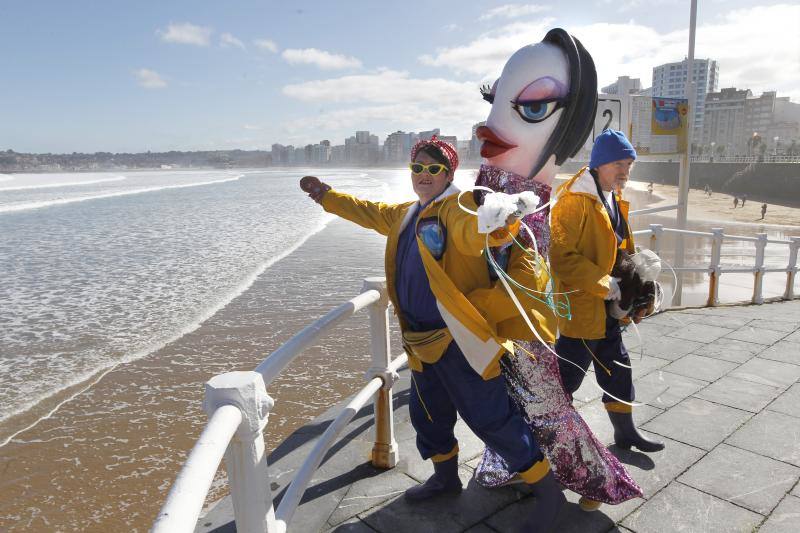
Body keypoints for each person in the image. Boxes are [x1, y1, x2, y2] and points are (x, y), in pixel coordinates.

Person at [301, 137, 563, 532]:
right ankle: (444, 478)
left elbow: (475, 233)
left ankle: (550, 495)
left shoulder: (457, 209)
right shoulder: (407, 214)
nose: (424, 175)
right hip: (419, 342)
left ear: (449, 174)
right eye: (417, 168)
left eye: (433, 169)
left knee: (492, 418)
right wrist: (326, 196)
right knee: (429, 415)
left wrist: (497, 225)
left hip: (460, 340)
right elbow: (369, 212)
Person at [470, 29, 642, 513]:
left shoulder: (543, 206)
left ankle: (594, 480)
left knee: (545, 396)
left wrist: (624, 281)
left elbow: (558, 259)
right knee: (523, 398)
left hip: (541, 321)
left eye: (532, 105)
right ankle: (516, 464)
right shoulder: (513, 197)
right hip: (528, 320)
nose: (488, 125)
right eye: (493, 102)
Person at [550, 129, 665, 453]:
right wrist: (605, 284)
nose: (625, 171)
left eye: (629, 164)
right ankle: (543, 443)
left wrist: (637, 275)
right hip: (582, 309)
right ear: (599, 163)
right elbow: (560, 257)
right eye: (618, 163)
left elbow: (619, 247)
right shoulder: (572, 202)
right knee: (566, 382)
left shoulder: (611, 195)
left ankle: (626, 433)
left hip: (608, 309)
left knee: (619, 371)